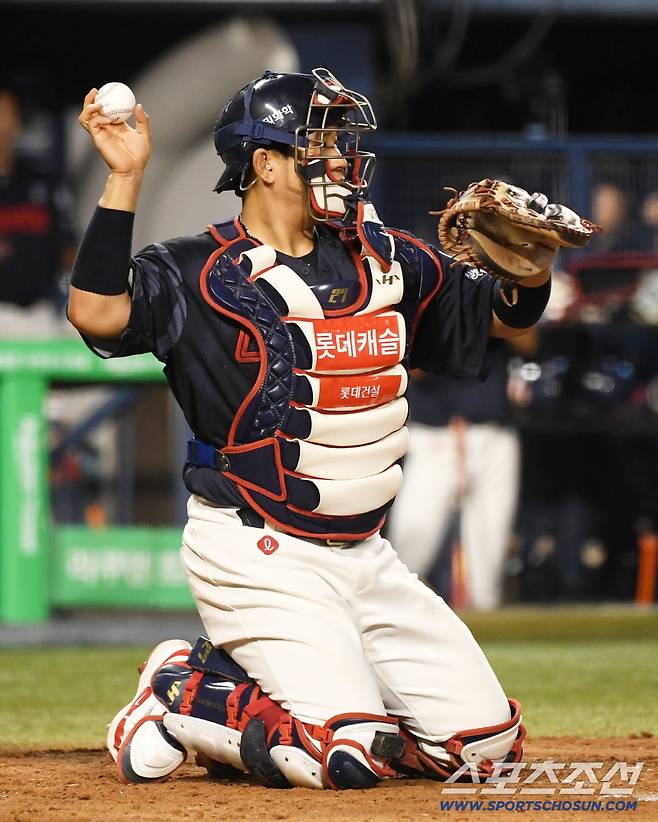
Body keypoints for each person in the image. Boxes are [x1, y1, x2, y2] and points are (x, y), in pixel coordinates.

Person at [69, 68, 555, 790]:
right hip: (256, 549)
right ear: (264, 164)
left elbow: (501, 319)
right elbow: (97, 314)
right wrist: (126, 178)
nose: (343, 160)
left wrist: (532, 276)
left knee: (484, 753)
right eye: (321, 143)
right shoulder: (197, 271)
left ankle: (327, 703)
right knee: (340, 753)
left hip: (367, 555)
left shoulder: (383, 257)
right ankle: (178, 688)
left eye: (343, 141)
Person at [0, 85, 75, 336]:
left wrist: (71, 294)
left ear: (17, 123)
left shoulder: (42, 180)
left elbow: (68, 250)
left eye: (5, 113)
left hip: (38, 313)